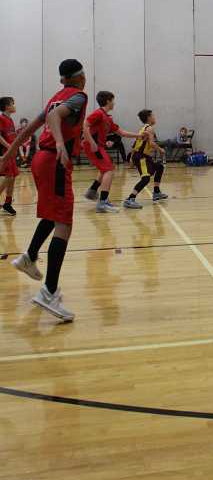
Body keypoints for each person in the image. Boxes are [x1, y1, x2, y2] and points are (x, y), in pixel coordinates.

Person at [4, 59, 88, 322]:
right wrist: (61, 143)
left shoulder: (55, 97)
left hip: (42, 159)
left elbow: (30, 129)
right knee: (64, 224)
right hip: (55, 161)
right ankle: (49, 292)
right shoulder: (78, 96)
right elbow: (53, 118)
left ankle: (29, 257)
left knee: (53, 215)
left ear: (62, 79)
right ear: (80, 77)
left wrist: (8, 154)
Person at [83, 91, 141, 213]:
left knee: (106, 168)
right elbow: (85, 125)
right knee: (108, 170)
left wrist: (139, 136)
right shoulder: (98, 113)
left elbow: (122, 133)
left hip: (98, 146)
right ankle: (102, 203)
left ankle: (92, 191)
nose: (114, 103)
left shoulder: (107, 118)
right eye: (113, 100)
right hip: (92, 146)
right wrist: (92, 143)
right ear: (108, 101)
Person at [123, 109, 168, 209]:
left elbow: (135, 144)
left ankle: (156, 192)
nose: (154, 117)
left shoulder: (143, 128)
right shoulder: (149, 128)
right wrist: (160, 149)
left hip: (143, 156)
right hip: (141, 157)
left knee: (159, 167)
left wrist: (131, 158)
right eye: (153, 116)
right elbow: (151, 143)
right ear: (149, 117)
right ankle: (130, 199)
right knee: (146, 178)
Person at [0, 97, 20, 215]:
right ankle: (7, 203)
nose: (14, 105)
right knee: (9, 177)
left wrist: (15, 146)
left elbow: (12, 135)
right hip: (5, 152)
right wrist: (8, 146)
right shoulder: (1, 119)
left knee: (12, 178)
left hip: (11, 152)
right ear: (7, 107)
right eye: (13, 104)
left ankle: (7, 203)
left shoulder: (10, 119)